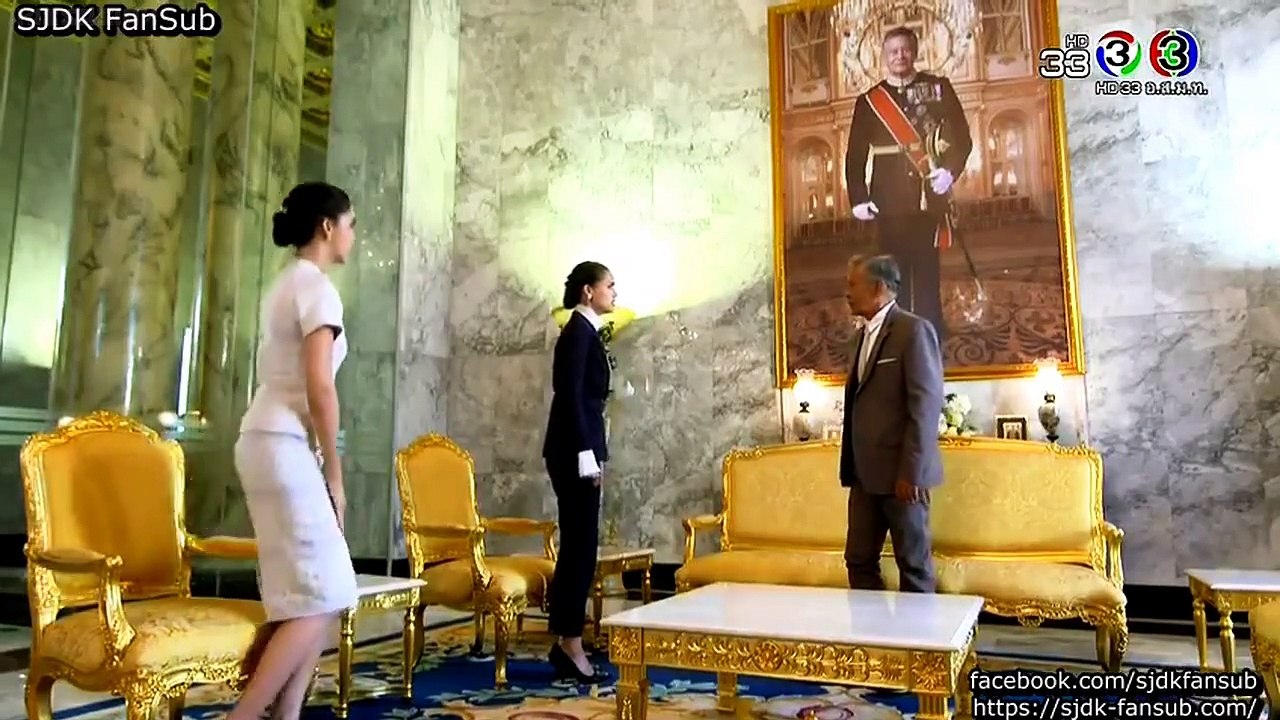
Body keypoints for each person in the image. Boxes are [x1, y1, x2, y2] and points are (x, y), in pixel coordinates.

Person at [227, 181, 360, 720]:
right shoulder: (317, 289)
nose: (353, 235)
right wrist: (335, 474)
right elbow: (320, 387)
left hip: (264, 441)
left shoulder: (285, 284)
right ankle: (244, 717)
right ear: (328, 227)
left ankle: (286, 714)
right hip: (282, 445)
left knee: (312, 594)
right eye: (350, 224)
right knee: (326, 591)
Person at [844, 25, 973, 341]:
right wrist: (858, 197)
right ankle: (898, 333)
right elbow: (855, 154)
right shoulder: (869, 101)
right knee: (892, 273)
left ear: (914, 52)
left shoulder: (938, 88)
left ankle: (930, 331)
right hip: (887, 201)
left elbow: (962, 137)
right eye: (893, 51)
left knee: (928, 271)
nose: (899, 56)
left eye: (905, 50)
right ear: (884, 57)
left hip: (928, 196)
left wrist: (950, 171)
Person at [839, 254, 944, 593]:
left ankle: (920, 630)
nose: (847, 292)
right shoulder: (859, 337)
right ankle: (872, 628)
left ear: (878, 287)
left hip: (902, 478)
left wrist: (912, 473)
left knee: (913, 566)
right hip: (864, 478)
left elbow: (925, 406)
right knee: (858, 561)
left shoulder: (913, 331)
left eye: (853, 284)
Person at [542, 260, 615, 684]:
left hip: (579, 448)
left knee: (581, 546)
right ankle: (570, 643)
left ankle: (566, 640)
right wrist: (586, 453)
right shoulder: (577, 332)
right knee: (579, 548)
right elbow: (568, 395)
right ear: (589, 291)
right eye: (610, 286)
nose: (614, 293)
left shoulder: (586, 331)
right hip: (573, 450)